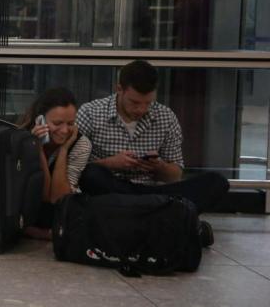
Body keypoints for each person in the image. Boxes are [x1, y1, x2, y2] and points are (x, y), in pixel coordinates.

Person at [76, 60, 228, 243]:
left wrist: (158, 166)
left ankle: (139, 220)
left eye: (148, 103)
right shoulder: (91, 113)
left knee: (217, 182)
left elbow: (174, 176)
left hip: (153, 192)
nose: (141, 109)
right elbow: (73, 167)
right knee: (92, 175)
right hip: (111, 192)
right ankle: (170, 222)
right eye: (134, 102)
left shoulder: (166, 117)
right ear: (119, 89)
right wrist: (110, 163)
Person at [21, 88, 92, 240]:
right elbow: (41, 194)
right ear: (40, 120)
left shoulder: (81, 144)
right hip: (29, 203)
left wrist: (64, 150)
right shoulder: (23, 138)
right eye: (57, 123)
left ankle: (31, 230)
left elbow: (56, 198)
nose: (65, 130)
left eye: (71, 123)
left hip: (56, 207)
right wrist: (38, 149)